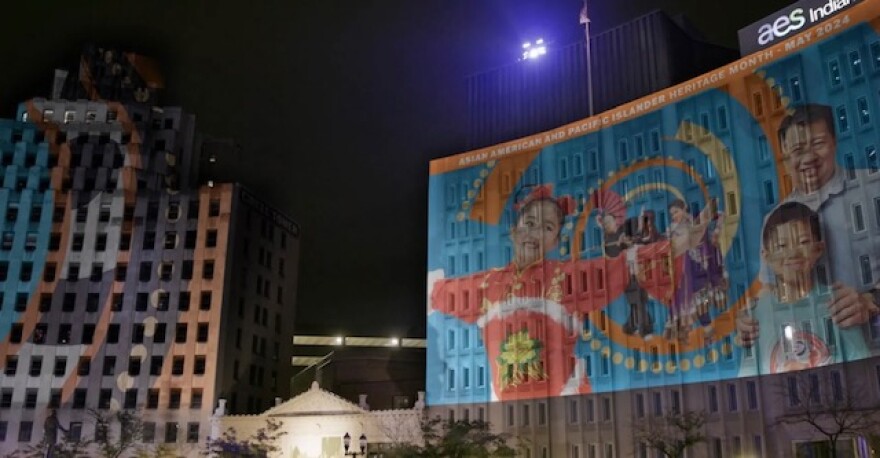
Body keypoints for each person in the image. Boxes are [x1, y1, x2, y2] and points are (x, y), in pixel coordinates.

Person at [430, 184, 629, 401]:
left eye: (547, 228)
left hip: (566, 403)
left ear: (556, 241)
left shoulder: (567, 276)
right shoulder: (486, 285)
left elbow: (616, 271)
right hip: (506, 406)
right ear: (514, 230)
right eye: (530, 223)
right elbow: (437, 293)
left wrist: (612, 234)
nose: (535, 233)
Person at [740, 104, 880, 345]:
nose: (807, 158)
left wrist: (872, 300)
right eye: (797, 149)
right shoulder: (774, 219)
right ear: (784, 153)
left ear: (835, 142)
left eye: (817, 144)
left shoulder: (874, 188)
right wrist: (749, 321)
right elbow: (772, 294)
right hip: (810, 357)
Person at [740, 202, 868, 375]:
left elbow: (862, 369)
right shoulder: (757, 314)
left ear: (818, 248)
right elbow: (749, 374)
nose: (793, 253)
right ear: (766, 255)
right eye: (781, 246)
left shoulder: (838, 304)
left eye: (803, 242)